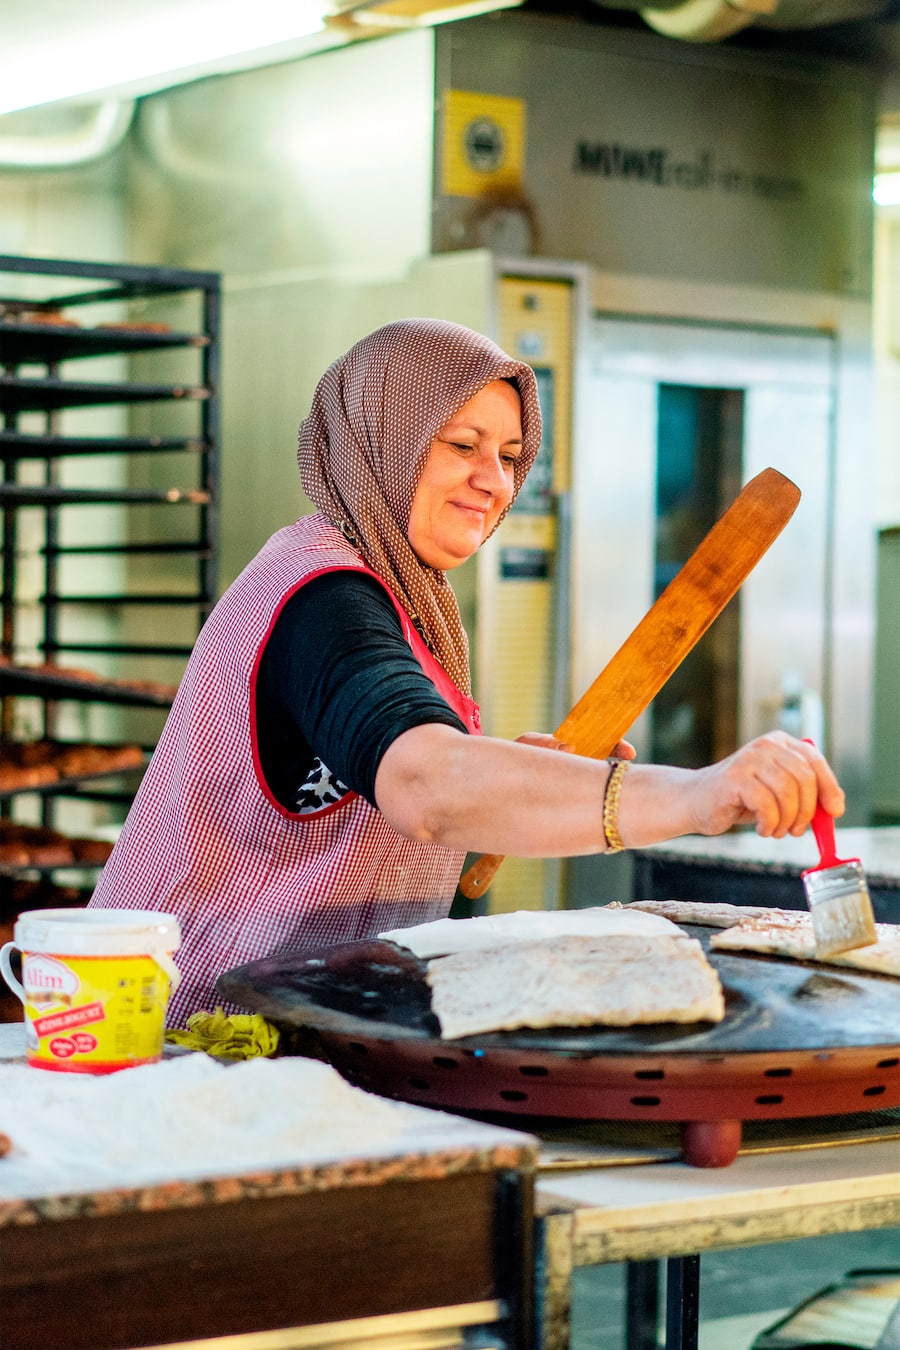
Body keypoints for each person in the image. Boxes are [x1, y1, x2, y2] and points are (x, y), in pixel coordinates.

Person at [88, 317, 845, 1027]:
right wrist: (698, 794)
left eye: (511, 456)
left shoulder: (395, 591)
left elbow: (408, 776)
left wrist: (518, 780)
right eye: (461, 444)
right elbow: (427, 785)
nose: (496, 482)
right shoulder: (325, 596)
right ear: (382, 438)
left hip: (273, 1019)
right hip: (175, 1032)